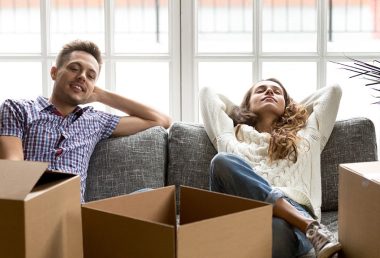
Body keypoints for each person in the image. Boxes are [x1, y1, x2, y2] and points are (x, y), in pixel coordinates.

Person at [0, 39, 172, 202]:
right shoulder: (17, 109)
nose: (82, 77)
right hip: (29, 205)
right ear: (54, 72)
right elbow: (13, 167)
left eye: (91, 76)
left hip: (76, 216)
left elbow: (161, 120)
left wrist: (101, 95)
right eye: (74, 68)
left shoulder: (96, 121)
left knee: (148, 197)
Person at [199, 78, 342, 258]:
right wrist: (240, 111)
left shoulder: (306, 136)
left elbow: (333, 91)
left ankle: (299, 222)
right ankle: (312, 227)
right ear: (247, 104)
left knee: (276, 227)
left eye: (276, 91)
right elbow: (207, 94)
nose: (269, 92)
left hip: (289, 226)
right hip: (245, 218)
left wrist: (293, 110)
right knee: (221, 161)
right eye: (261, 90)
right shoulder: (230, 136)